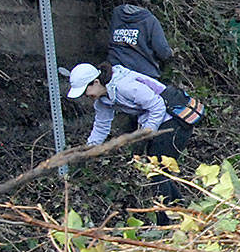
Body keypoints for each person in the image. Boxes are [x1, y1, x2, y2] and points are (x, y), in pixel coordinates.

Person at [66, 61, 189, 225]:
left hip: (173, 121)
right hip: (156, 123)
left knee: (157, 171)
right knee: (157, 171)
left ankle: (165, 222)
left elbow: (157, 105)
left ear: (96, 82)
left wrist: (146, 132)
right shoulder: (103, 100)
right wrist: (89, 150)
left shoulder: (125, 86)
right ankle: (183, 213)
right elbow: (101, 126)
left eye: (85, 91)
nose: (85, 96)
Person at [108, 0, 173, 79]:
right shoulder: (150, 20)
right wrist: (171, 53)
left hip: (116, 71)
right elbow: (163, 52)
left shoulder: (117, 14)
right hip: (142, 74)